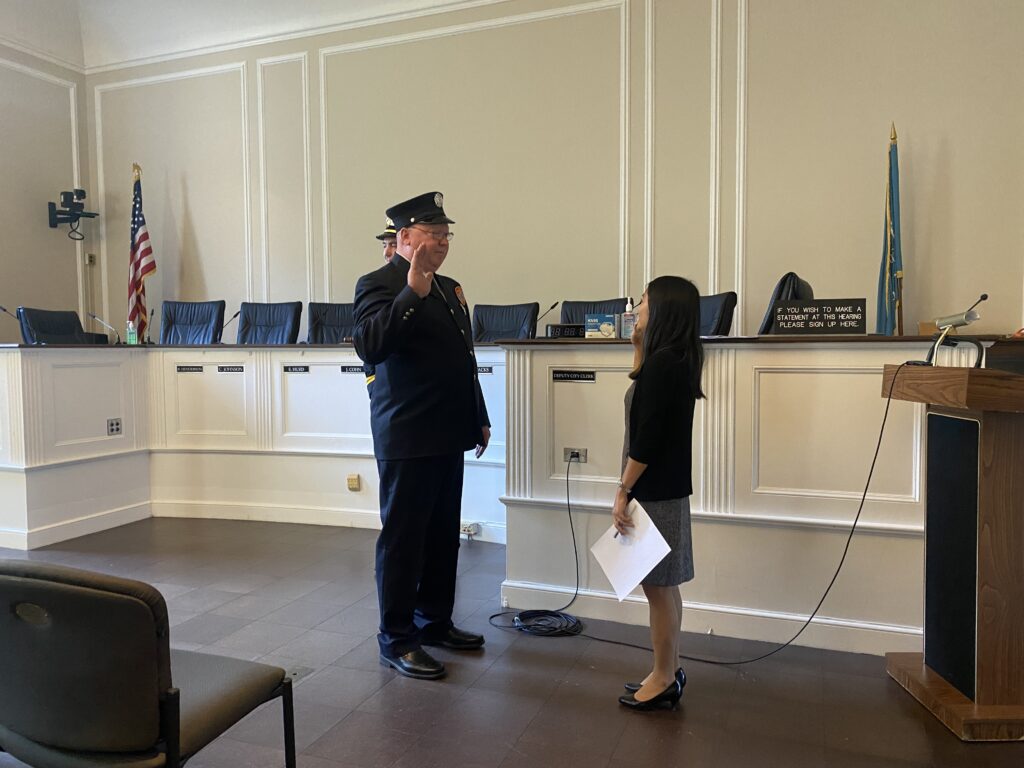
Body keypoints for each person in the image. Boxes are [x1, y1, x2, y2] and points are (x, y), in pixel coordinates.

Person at [352, 191, 490, 680]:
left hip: (449, 431)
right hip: (406, 435)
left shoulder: (451, 288)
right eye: (434, 235)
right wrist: (411, 292)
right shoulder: (380, 284)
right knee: (403, 542)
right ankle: (397, 638)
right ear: (405, 238)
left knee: (440, 537)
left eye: (447, 235)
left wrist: (479, 414)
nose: (443, 243)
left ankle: (434, 622)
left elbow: (464, 361)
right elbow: (370, 346)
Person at [613, 275, 704, 710]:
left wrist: (622, 490)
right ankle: (665, 669)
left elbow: (645, 442)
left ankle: (665, 676)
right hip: (667, 490)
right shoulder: (672, 359)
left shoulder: (662, 365)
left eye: (645, 301)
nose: (638, 307)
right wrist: (638, 345)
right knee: (664, 588)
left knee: (657, 589)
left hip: (653, 491)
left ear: (664, 309)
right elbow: (644, 401)